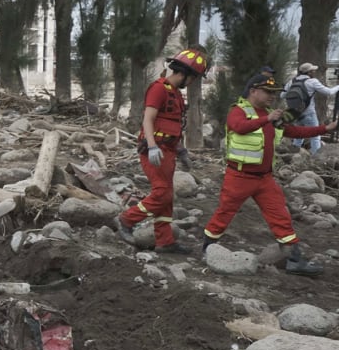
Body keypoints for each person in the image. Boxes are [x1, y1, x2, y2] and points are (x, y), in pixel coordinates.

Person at [202, 72, 336, 276]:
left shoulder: (271, 114)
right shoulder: (238, 111)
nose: (272, 96)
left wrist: (325, 128)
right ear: (253, 91)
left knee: (280, 215)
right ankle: (207, 249)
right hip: (239, 177)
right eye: (268, 92)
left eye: (274, 93)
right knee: (224, 213)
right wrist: (267, 119)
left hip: (264, 178)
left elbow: (294, 132)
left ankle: (294, 259)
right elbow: (239, 127)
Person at [114, 47, 210, 254]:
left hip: (168, 151)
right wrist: (152, 146)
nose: (192, 82)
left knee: (167, 195)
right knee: (162, 194)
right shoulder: (158, 89)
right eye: (193, 78)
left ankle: (165, 241)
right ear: (184, 74)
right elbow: (148, 119)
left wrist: (181, 151)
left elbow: (173, 126)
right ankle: (126, 219)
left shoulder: (175, 94)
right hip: (155, 151)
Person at [288, 62, 339, 154]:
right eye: (313, 70)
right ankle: (316, 157)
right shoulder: (312, 82)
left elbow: (282, 95)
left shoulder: (292, 81)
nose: (314, 72)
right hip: (309, 113)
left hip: (295, 113)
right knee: (315, 136)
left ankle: (294, 155)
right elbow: (329, 92)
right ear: (309, 72)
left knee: (298, 134)